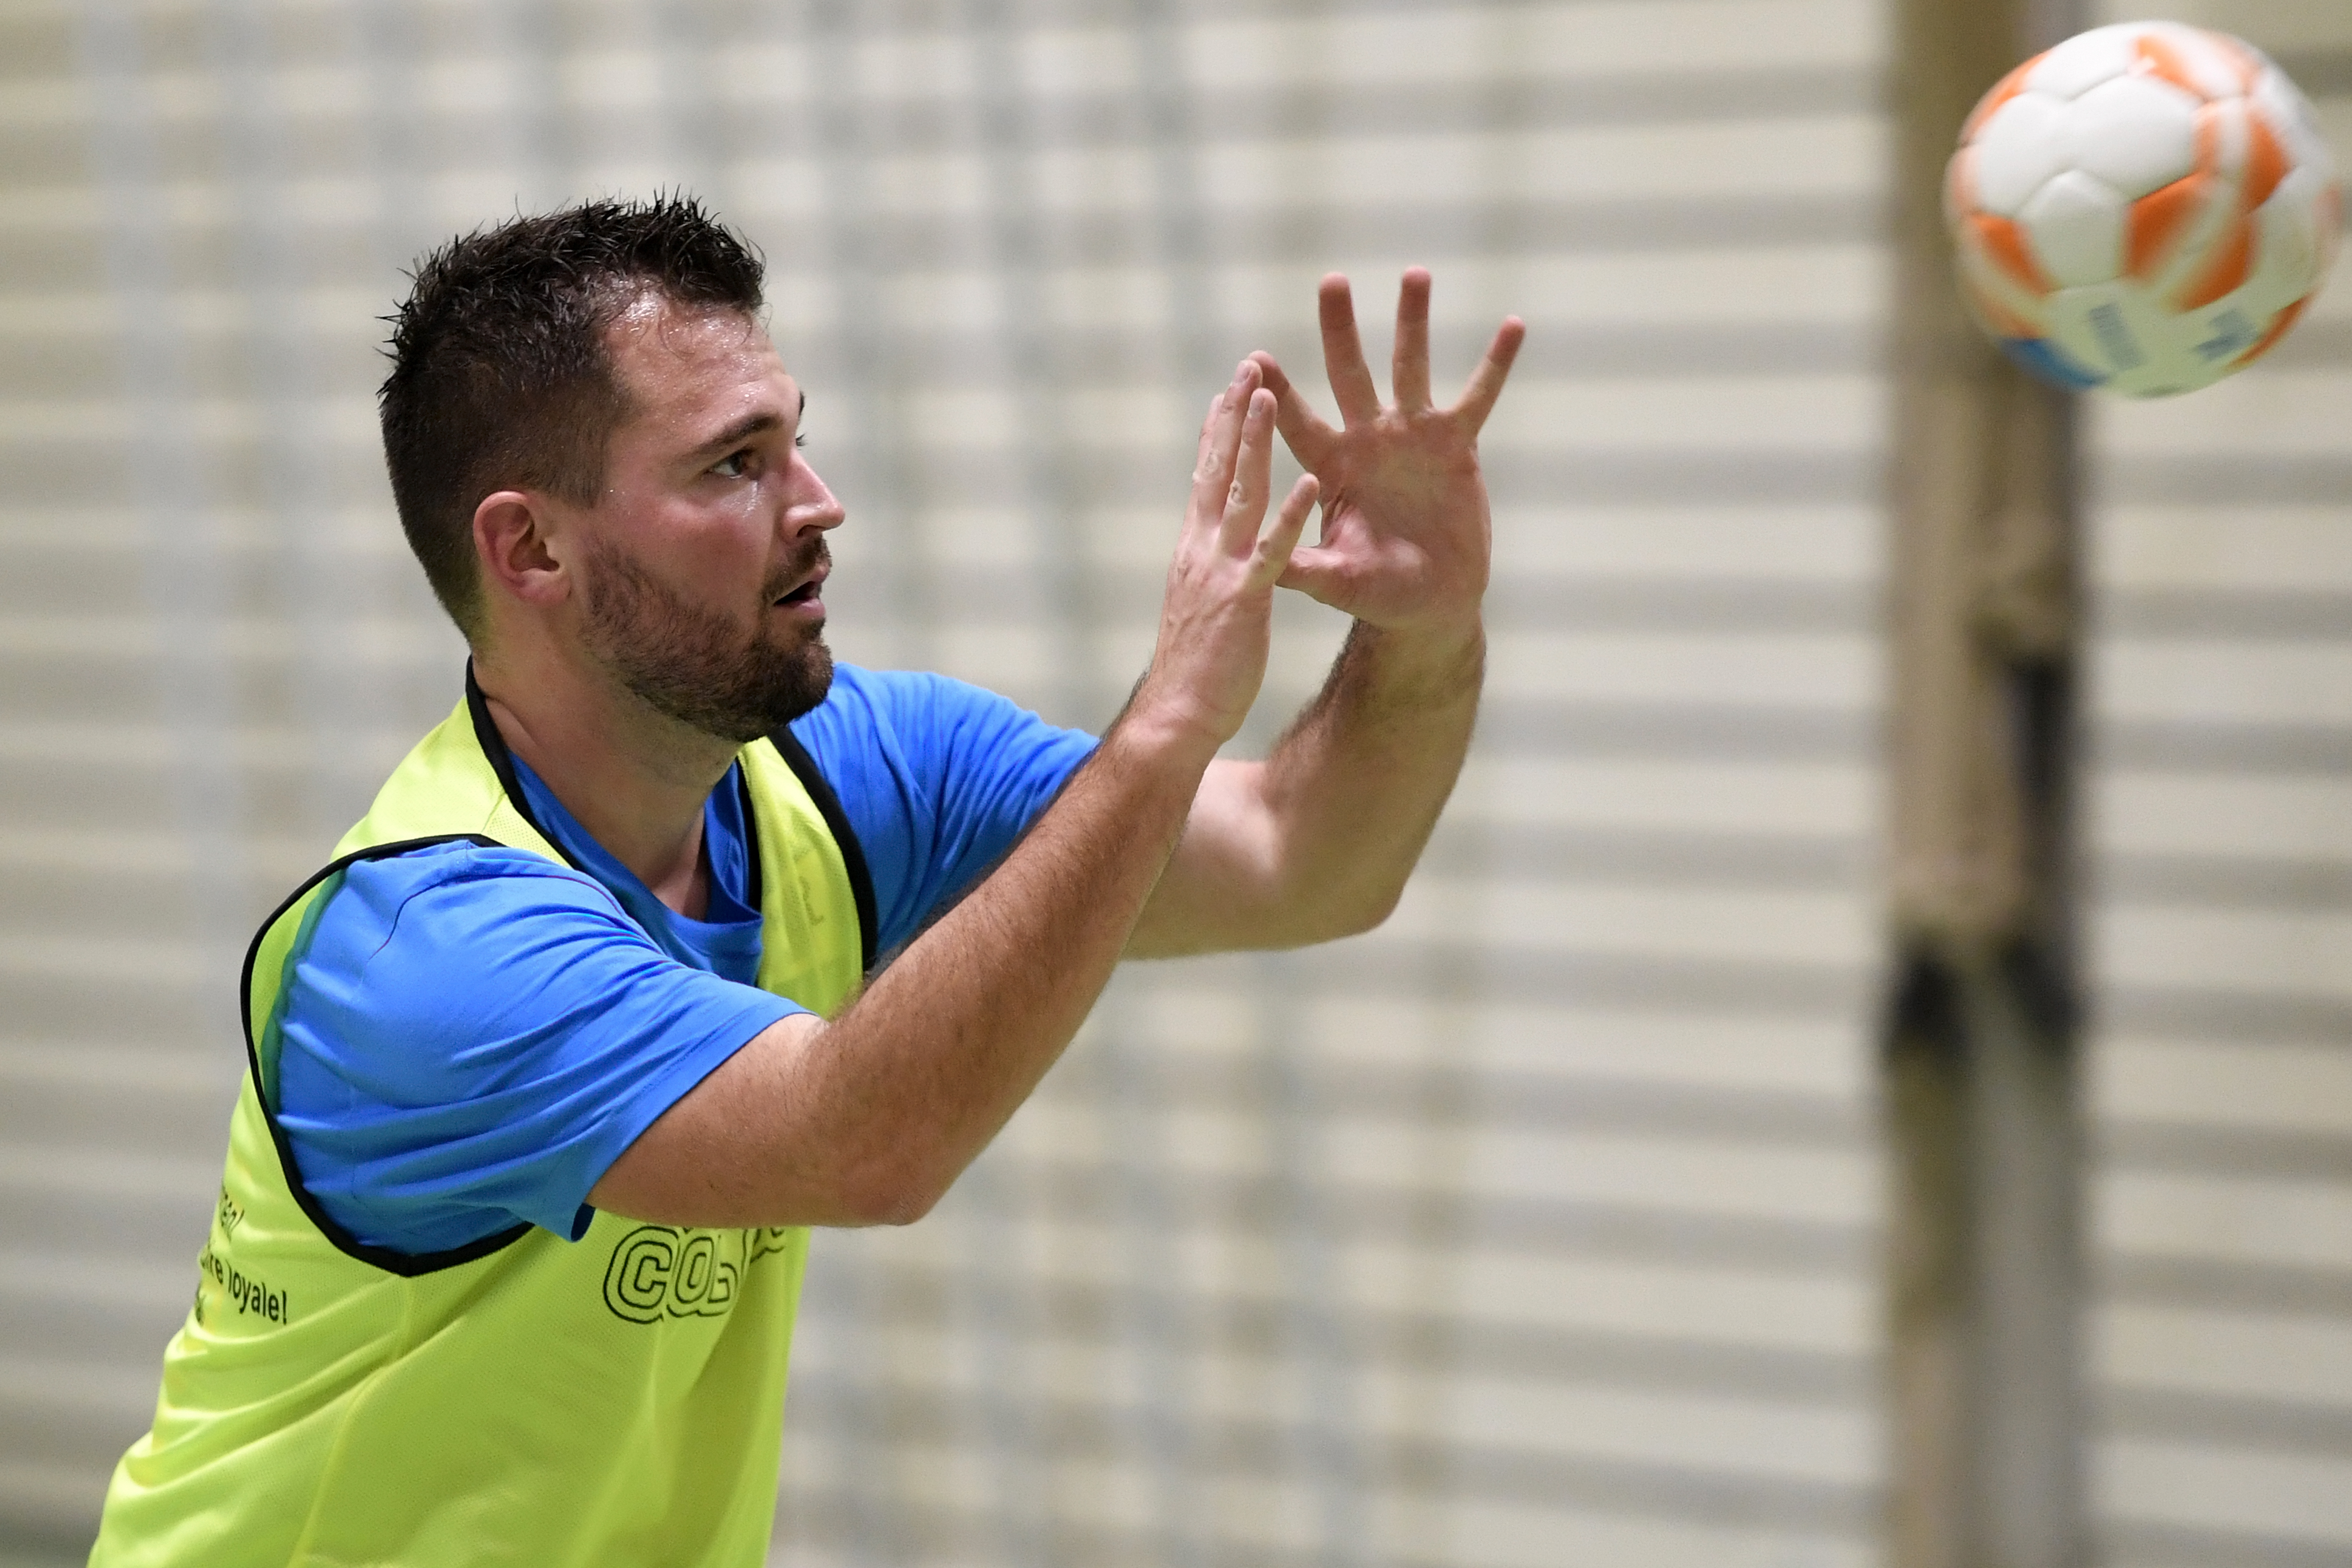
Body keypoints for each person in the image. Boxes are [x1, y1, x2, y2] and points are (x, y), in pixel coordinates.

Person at [89, 195, 1522, 1566]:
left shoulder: (848, 772)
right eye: (736, 463)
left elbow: (1298, 862)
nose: (819, 505)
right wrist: (1162, 727)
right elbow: (867, 1144)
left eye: (798, 443)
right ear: (530, 547)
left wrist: (1430, 627)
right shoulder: (433, 950)